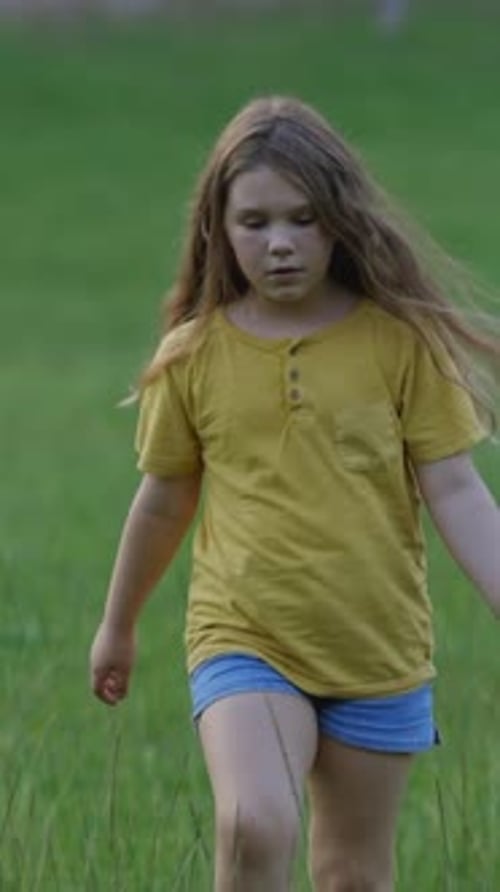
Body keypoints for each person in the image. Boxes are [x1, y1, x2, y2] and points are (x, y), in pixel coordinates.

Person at [90, 95, 500, 892]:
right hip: (245, 637)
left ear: (340, 221)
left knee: (353, 876)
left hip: (376, 650)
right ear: (217, 229)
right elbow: (163, 502)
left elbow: (456, 491)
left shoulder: (399, 343)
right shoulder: (194, 356)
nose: (279, 242)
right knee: (254, 823)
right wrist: (117, 625)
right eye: (255, 222)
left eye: (303, 220)